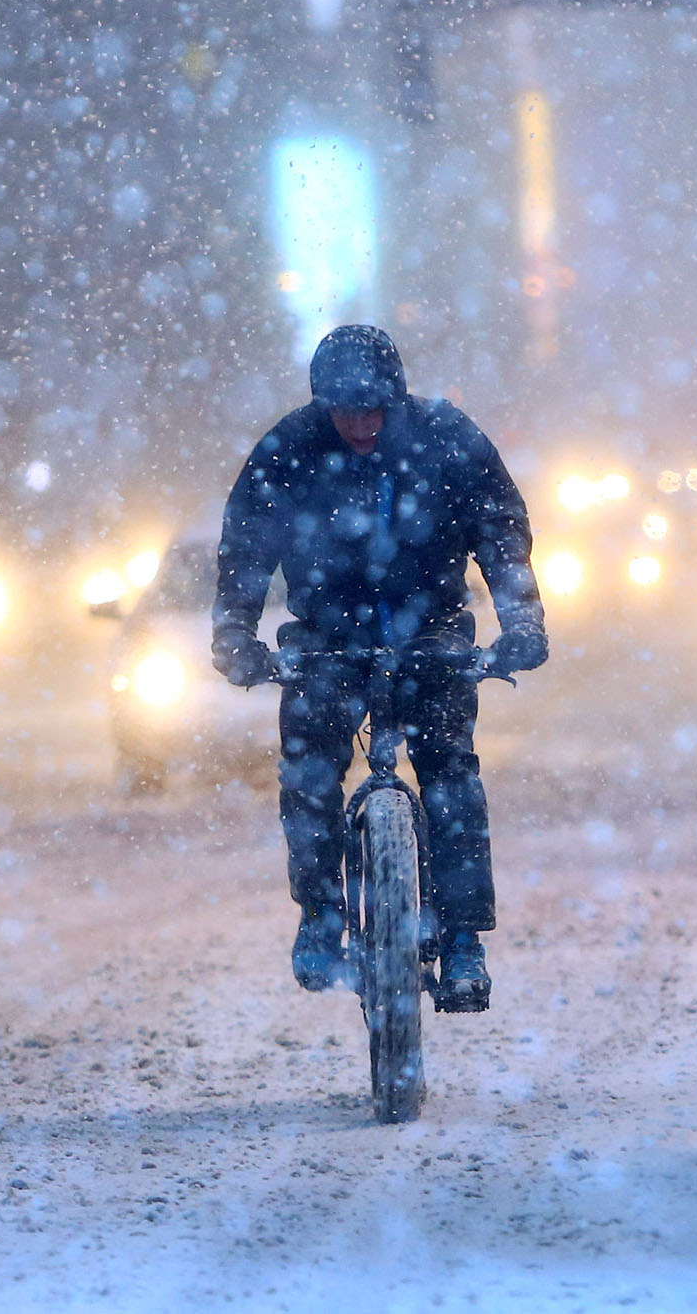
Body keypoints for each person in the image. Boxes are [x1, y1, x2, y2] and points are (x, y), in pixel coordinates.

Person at [211, 325, 547, 1012]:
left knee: (451, 773)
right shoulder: (290, 450)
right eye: (345, 410)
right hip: (326, 639)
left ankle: (461, 939)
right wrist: (235, 634)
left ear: (397, 399)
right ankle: (320, 914)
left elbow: (500, 529)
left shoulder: (447, 439)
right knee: (308, 773)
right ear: (320, 405)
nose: (360, 425)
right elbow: (246, 546)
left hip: (432, 634)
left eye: (373, 409)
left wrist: (523, 621)